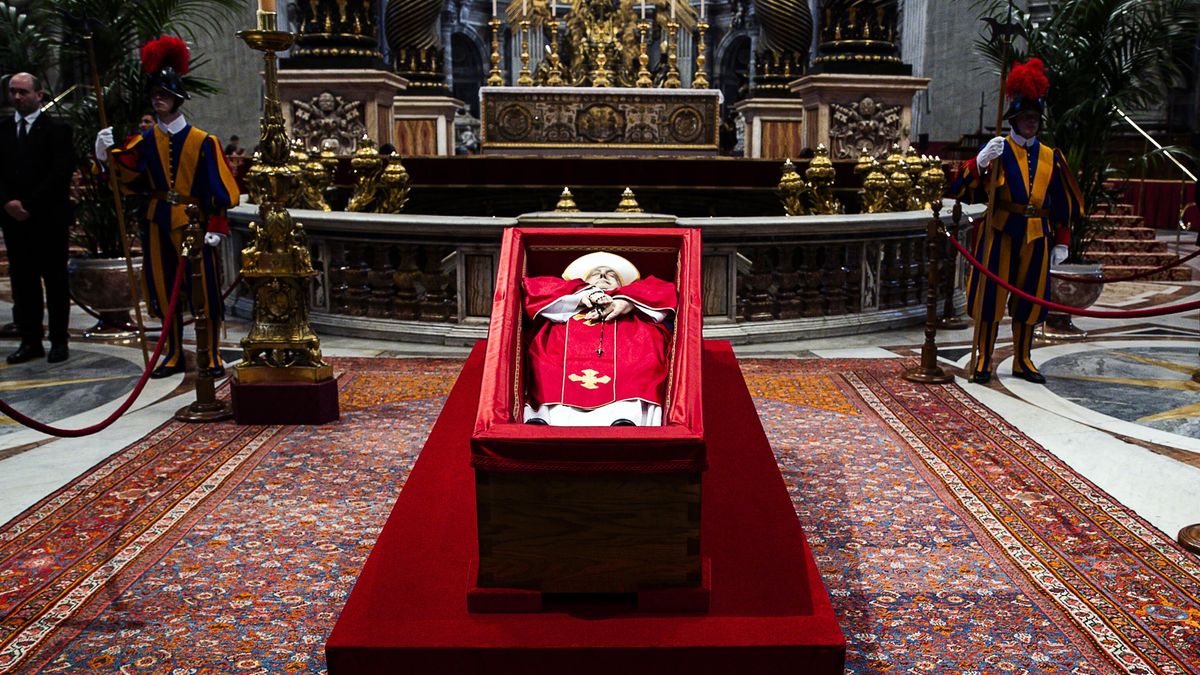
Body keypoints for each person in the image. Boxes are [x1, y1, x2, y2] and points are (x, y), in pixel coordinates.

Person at [94, 36, 240, 379]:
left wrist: (216, 226)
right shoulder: (143, 142)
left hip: (194, 223)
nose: (157, 100)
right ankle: (173, 352)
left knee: (202, 291)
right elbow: (125, 179)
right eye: (154, 95)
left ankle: (212, 353)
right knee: (162, 289)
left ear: (177, 99)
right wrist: (104, 158)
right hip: (158, 221)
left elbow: (220, 188)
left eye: (164, 95)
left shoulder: (204, 141)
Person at [953, 58, 1083, 385]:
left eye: (1035, 118)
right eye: (1026, 117)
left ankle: (1023, 358)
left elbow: (1061, 202)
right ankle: (983, 356)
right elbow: (961, 190)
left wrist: (1063, 241)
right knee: (990, 298)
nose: (1031, 123)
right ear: (1013, 118)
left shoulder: (1051, 156)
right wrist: (980, 163)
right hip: (1000, 231)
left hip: (1038, 235)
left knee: (1030, 299)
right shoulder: (997, 150)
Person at [521, 252, 676, 426]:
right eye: (596, 273)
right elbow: (533, 289)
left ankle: (627, 417)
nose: (603, 275)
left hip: (628, 346)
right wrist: (583, 296)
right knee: (545, 363)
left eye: (612, 274)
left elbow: (666, 290)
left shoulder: (632, 299)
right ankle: (546, 417)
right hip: (563, 345)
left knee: (640, 363)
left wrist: (625, 301)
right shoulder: (569, 296)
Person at [0, 72, 75, 364]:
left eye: (23, 92)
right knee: (23, 284)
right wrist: (7, 202)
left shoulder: (58, 129)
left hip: (48, 219)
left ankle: (58, 340)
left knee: (55, 282)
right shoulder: (3, 130)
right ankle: (30, 340)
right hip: (14, 220)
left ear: (39, 95)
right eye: (12, 92)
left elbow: (60, 173)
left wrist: (27, 204)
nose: (17, 97)